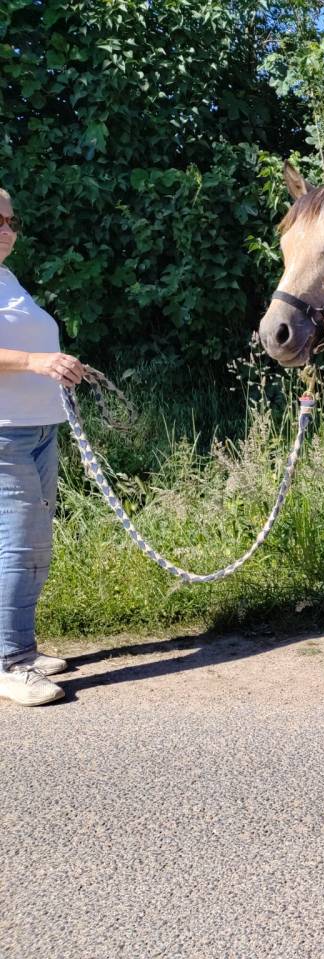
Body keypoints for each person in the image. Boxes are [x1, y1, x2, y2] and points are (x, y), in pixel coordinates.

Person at [0, 186, 85, 705]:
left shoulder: (7, 278)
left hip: (37, 428)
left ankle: (18, 647)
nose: (7, 230)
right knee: (21, 546)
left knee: (29, 545)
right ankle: (11, 663)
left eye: (11, 220)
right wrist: (36, 363)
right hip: (4, 431)